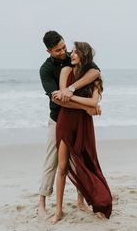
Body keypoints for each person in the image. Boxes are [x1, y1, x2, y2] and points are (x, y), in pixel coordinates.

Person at [38, 31, 101, 218]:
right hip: (58, 118)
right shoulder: (46, 69)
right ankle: (41, 202)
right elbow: (57, 99)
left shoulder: (71, 58)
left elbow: (95, 71)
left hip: (79, 119)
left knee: (81, 158)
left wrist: (71, 89)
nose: (63, 52)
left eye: (64, 47)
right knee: (53, 161)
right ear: (48, 51)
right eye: (58, 50)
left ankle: (80, 200)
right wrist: (86, 108)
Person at [50, 41, 112, 224]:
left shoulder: (92, 77)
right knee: (62, 167)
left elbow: (93, 103)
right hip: (65, 122)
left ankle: (82, 201)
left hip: (84, 124)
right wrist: (82, 104)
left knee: (85, 161)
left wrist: (72, 94)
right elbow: (62, 98)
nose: (72, 54)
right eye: (72, 51)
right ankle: (59, 210)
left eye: (76, 52)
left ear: (84, 56)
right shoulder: (65, 71)